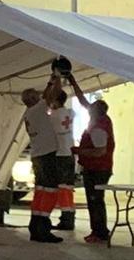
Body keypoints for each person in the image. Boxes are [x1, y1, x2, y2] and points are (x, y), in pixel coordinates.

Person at [67, 73, 114, 244]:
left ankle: (100, 232)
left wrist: (78, 151)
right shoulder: (101, 119)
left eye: (91, 107)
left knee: (95, 201)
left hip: (98, 169)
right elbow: (82, 101)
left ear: (96, 112)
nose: (88, 108)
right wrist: (72, 81)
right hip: (97, 167)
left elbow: (100, 152)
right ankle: (99, 231)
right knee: (95, 200)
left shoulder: (99, 129)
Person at [22, 76, 64, 243]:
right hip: (47, 155)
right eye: (35, 95)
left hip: (38, 155)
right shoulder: (37, 109)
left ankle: (36, 227)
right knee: (50, 191)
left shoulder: (28, 114)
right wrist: (55, 79)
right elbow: (52, 94)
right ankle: (43, 228)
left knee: (40, 192)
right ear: (33, 99)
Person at [48, 90, 77, 231]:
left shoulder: (54, 115)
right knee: (68, 188)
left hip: (60, 154)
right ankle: (69, 216)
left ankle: (66, 220)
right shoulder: (70, 113)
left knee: (62, 188)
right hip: (70, 153)